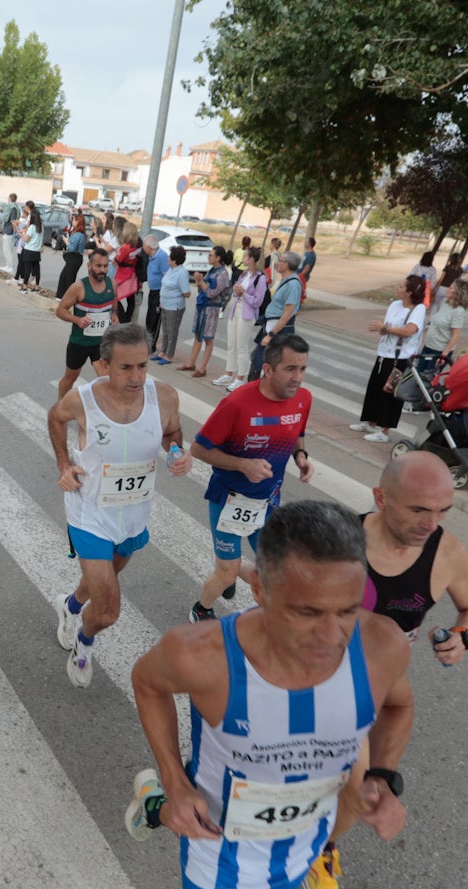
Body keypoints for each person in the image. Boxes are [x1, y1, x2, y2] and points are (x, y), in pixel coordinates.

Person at [127, 500, 413, 889]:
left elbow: (400, 708)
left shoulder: (381, 648)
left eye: (347, 610)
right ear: (259, 589)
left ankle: (153, 807)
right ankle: (164, 800)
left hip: (304, 847)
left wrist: (381, 775)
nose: (331, 635)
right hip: (223, 867)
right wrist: (175, 776)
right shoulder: (201, 655)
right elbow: (146, 682)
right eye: (308, 612)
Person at [297, 452, 468, 889]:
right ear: (381, 498)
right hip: (310, 673)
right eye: (418, 509)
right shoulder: (336, 539)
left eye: (443, 510)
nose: (431, 523)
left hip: (379, 687)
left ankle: (319, 849)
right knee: (323, 775)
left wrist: (463, 637)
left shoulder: (448, 553)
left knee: (360, 782)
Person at [50, 322, 192, 686]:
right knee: (109, 610)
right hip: (90, 515)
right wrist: (64, 464)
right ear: (105, 365)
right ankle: (84, 640)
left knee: (106, 578)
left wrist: (177, 452)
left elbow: (172, 432)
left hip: (133, 516)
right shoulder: (83, 399)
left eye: (142, 366)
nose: (136, 376)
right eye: (126, 367)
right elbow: (55, 418)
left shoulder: (164, 397)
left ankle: (71, 605)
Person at [189, 335, 316, 623]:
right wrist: (243, 465)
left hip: (268, 502)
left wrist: (301, 458)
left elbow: (298, 433)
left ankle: (240, 577)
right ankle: (202, 609)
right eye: (290, 369)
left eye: (303, 369)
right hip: (229, 498)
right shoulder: (237, 403)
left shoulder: (303, 399)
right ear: (268, 369)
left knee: (274, 570)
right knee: (226, 571)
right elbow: (199, 449)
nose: (298, 378)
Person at [352, 275, 429, 443]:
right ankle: (370, 422)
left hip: (400, 357)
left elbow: (409, 331)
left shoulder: (418, 309)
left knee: (390, 394)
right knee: (374, 389)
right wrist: (382, 329)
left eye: (402, 286)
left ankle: (384, 431)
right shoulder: (394, 305)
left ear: (409, 292)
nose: (398, 288)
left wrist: (385, 328)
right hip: (384, 353)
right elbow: (387, 328)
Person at [54, 247, 117, 399]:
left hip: (101, 342)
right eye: (98, 266)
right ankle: (61, 408)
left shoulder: (112, 284)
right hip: (80, 342)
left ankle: (101, 412)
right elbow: (60, 310)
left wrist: (114, 314)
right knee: (70, 379)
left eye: (105, 266)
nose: (102, 270)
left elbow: (114, 302)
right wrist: (77, 320)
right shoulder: (78, 287)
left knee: (106, 378)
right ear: (89, 266)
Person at [249, 251, 304, 385]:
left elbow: (287, 314)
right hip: (270, 326)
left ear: (288, 264)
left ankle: (257, 394)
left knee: (262, 363)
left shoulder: (293, 285)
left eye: (281, 260)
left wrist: (271, 335)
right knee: (257, 361)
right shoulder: (286, 280)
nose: (278, 263)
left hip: (278, 331)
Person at [178, 246, 231, 377]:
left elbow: (212, 293)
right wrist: (199, 281)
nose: (208, 257)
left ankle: (202, 368)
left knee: (208, 338)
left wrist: (201, 281)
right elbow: (203, 289)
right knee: (197, 334)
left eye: (211, 255)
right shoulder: (212, 270)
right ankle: (191, 363)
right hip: (203, 306)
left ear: (218, 258)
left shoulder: (223, 274)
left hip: (211, 308)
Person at [216, 248, 265, 392]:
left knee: (241, 346)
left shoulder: (260, 278)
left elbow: (258, 301)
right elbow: (237, 293)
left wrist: (243, 293)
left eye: (245, 256)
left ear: (252, 259)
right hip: (235, 310)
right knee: (231, 344)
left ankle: (240, 378)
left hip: (247, 314)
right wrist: (237, 291)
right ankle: (228, 374)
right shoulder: (244, 274)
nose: (242, 258)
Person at [417, 277, 468, 378]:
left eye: (451, 288)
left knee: (427, 380)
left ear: (458, 292)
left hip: (439, 351)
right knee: (417, 375)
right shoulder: (444, 303)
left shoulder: (458, 311)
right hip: (428, 346)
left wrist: (444, 355)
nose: (447, 289)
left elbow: (455, 336)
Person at [154, 245, 190, 366]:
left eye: (169, 257)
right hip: (165, 304)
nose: (167, 259)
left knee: (172, 331)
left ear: (175, 260)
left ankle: (169, 354)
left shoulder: (182, 272)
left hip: (175, 306)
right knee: (165, 330)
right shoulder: (171, 269)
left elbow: (186, 293)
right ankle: (162, 351)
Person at [114, 229, 143, 324]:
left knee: (114, 297)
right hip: (132, 274)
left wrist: (117, 252)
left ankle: (123, 319)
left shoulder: (125, 247)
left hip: (123, 274)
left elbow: (116, 261)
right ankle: (128, 318)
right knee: (131, 300)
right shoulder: (138, 247)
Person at [56, 213, 89, 299]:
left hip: (74, 258)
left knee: (68, 278)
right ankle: (63, 297)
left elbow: (71, 247)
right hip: (76, 258)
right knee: (66, 276)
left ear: (78, 222)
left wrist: (66, 240)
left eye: (74, 220)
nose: (72, 221)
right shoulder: (80, 234)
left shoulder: (78, 235)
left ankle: (67, 298)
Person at [144, 235, 167, 350]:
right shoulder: (151, 256)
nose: (143, 249)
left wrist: (162, 297)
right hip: (153, 291)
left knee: (155, 319)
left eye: (144, 246)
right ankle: (147, 343)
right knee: (149, 318)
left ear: (149, 247)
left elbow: (166, 277)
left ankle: (151, 345)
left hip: (159, 292)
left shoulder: (161, 256)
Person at [16, 203, 44, 291]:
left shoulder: (32, 227)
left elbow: (26, 239)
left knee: (27, 269)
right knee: (36, 269)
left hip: (29, 250)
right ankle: (37, 286)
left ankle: (24, 286)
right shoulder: (41, 227)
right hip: (36, 251)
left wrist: (21, 233)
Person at [0, 194, 21, 276]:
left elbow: (13, 220)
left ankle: (11, 267)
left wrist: (14, 231)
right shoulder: (11, 207)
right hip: (7, 230)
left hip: (9, 231)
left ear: (10, 199)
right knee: (5, 249)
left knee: (8, 250)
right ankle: (7, 265)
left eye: (8, 198)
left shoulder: (13, 208)